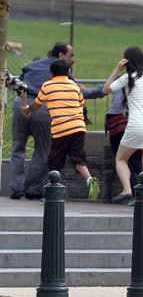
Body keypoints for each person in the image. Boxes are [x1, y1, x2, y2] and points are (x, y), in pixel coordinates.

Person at [21, 59, 100, 202]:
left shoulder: (48, 85)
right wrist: (86, 119)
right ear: (68, 72)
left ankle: (51, 194)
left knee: (54, 161)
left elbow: (37, 104)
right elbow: (82, 106)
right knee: (78, 158)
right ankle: (90, 180)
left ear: (51, 73)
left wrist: (28, 110)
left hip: (61, 129)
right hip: (78, 127)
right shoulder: (75, 86)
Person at [11, 42, 75, 200]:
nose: (73, 59)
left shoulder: (32, 65)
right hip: (43, 108)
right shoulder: (62, 71)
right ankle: (32, 190)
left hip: (22, 104)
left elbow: (20, 83)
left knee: (18, 146)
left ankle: (15, 188)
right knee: (42, 149)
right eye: (71, 55)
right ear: (61, 55)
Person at [103, 46, 143, 212]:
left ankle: (127, 189)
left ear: (127, 61)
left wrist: (117, 68)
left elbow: (106, 89)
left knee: (121, 158)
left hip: (136, 124)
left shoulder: (128, 77)